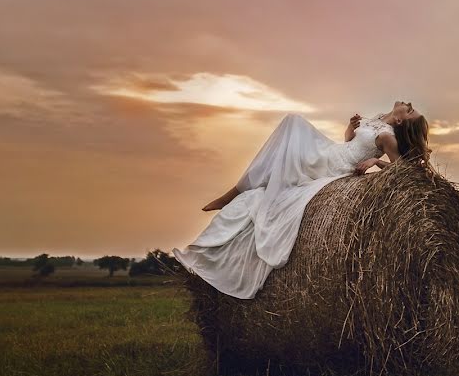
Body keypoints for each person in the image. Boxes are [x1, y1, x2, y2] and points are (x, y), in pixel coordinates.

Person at [171, 100, 431, 299]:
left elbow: (402, 169)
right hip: (331, 152)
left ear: (401, 122)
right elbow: (349, 142)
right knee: (284, 144)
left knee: (290, 131)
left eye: (410, 111)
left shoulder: (388, 137)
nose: (408, 105)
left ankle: (232, 194)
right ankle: (235, 192)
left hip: (333, 167)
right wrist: (350, 128)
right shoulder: (375, 119)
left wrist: (376, 161)